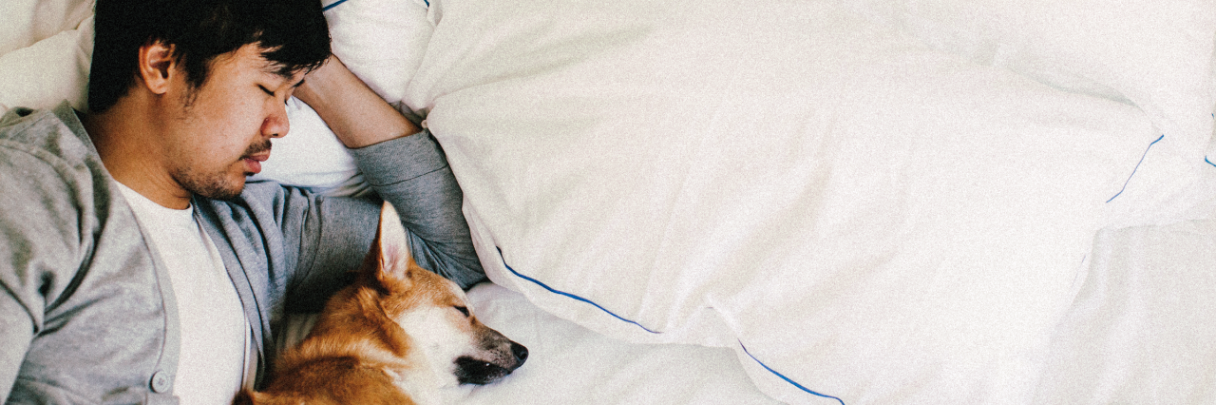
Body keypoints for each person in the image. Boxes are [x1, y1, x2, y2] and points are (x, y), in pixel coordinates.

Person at [0, 0, 485, 403]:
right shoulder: (27, 191)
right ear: (161, 65)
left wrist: (310, 67)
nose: (282, 124)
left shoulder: (256, 229)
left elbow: (448, 255)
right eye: (266, 89)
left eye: (291, 98)